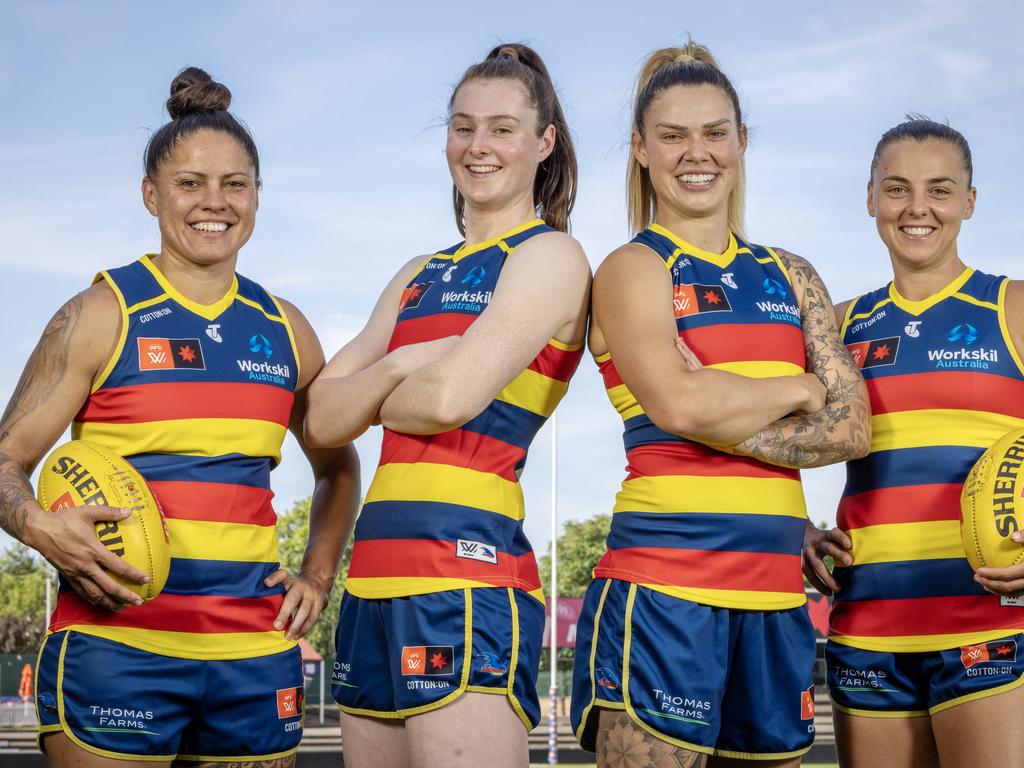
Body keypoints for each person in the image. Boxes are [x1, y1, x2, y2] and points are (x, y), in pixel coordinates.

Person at [0, 67, 359, 765]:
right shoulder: (99, 313)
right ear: (151, 195)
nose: (214, 203)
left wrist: (318, 575)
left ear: (257, 195)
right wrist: (44, 529)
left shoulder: (285, 328)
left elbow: (337, 464)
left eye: (236, 184)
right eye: (190, 183)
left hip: (255, 654)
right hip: (118, 645)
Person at [569, 41, 870, 767]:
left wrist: (717, 403)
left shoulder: (791, 274)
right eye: (672, 135)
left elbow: (854, 426)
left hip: (775, 596)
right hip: (665, 586)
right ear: (641, 148)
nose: (695, 154)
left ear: (741, 141)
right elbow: (680, 404)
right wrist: (800, 391)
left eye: (714, 132)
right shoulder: (632, 268)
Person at [304, 43, 589, 768]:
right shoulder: (418, 272)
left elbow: (448, 400)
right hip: (369, 582)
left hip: (467, 576)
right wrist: (403, 360)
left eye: (501, 128)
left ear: (544, 142)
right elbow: (321, 420)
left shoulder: (551, 257)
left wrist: (375, 395)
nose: (478, 146)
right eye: (463, 127)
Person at [805, 117, 1024, 768]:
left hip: (988, 623)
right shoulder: (839, 324)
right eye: (897, 189)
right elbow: (765, 443)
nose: (918, 208)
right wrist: (796, 530)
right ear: (870, 196)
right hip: (867, 625)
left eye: (940, 189)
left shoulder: (1010, 309)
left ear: (970, 201)